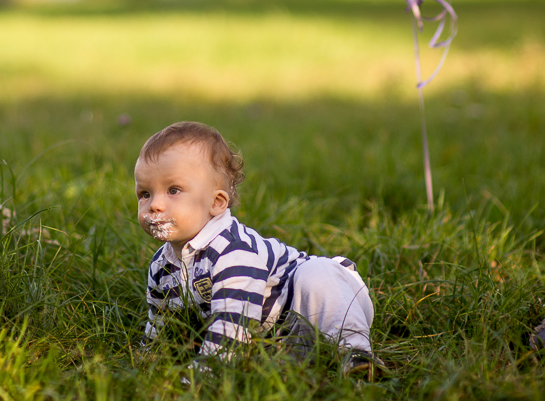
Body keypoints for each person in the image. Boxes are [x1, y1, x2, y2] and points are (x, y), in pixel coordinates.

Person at [135, 120, 378, 376]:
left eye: (173, 190)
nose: (155, 205)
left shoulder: (232, 250)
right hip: (277, 336)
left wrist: (206, 373)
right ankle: (293, 359)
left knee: (315, 272)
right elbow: (161, 321)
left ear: (216, 203)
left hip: (329, 300)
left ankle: (356, 352)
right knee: (279, 366)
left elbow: (233, 323)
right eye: (145, 193)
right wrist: (148, 358)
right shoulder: (162, 266)